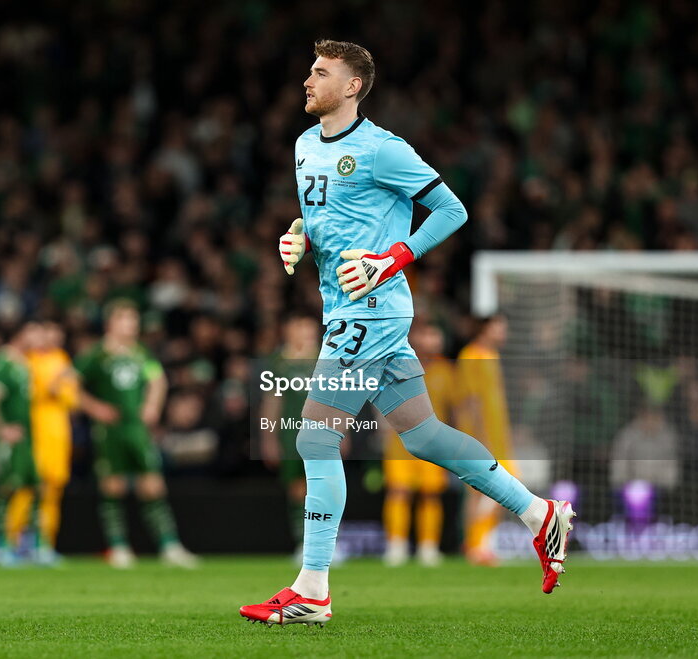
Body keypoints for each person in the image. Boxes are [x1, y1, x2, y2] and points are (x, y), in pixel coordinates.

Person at [240, 40, 575, 627]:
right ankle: (538, 513)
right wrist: (299, 235)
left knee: (315, 439)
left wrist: (391, 259)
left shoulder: (383, 149)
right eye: (309, 71)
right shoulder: (302, 146)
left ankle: (312, 590)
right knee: (423, 437)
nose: (307, 81)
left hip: (370, 312)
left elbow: (452, 211)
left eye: (321, 73)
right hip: (349, 310)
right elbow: (324, 222)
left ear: (353, 87)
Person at [73, 300, 198, 568]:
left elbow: (157, 379)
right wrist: (95, 408)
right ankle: (118, 547)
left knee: (152, 485)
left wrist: (153, 405)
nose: (131, 325)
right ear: (111, 324)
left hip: (137, 429)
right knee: (113, 485)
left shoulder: (140, 353)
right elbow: (70, 385)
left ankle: (169, 546)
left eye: (133, 320)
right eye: (125, 319)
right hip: (110, 430)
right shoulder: (97, 355)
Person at [381, 321, 455, 567]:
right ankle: (396, 545)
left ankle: (428, 547)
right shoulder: (396, 365)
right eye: (426, 334)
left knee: (431, 494)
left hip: (434, 440)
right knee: (399, 492)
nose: (432, 340)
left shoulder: (446, 370)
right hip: (399, 440)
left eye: (435, 334)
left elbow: (455, 407)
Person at [6, 322, 77, 564]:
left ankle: (45, 544)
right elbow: (27, 394)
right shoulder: (27, 361)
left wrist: (61, 389)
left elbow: (71, 398)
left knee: (52, 490)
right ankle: (11, 543)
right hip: (34, 431)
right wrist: (53, 386)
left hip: (58, 434)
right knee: (27, 488)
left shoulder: (62, 359)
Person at [0, 322, 42, 565]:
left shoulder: (23, 363)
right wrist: (1, 429)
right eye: (36, 331)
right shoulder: (3, 363)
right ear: (21, 334)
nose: (40, 337)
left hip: (26, 439)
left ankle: (35, 546)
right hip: (9, 441)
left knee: (34, 488)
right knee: (5, 489)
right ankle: (2, 547)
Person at [456, 314, 518, 566]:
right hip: (480, 437)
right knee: (481, 491)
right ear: (485, 329)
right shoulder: (471, 356)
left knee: (495, 490)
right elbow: (470, 400)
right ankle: (475, 544)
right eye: (499, 328)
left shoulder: (492, 356)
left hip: (497, 436)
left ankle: (483, 544)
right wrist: (479, 437)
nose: (504, 333)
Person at [259, 314, 321, 560]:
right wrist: (268, 438)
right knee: (297, 488)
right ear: (288, 331)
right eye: (299, 327)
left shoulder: (326, 357)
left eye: (309, 328)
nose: (305, 333)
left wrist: (344, 432)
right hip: (290, 432)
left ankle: (324, 546)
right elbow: (271, 402)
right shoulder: (278, 362)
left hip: (323, 431)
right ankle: (303, 545)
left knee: (323, 487)